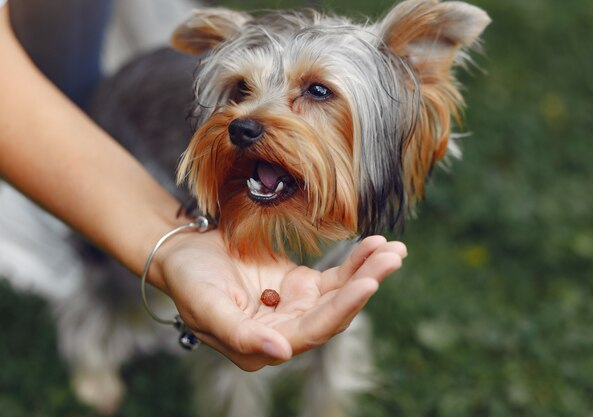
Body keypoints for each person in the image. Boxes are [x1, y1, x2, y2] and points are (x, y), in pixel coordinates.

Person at [0, 1, 407, 371]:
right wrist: (166, 248)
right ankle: (91, 344)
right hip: (127, 116)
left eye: (317, 92)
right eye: (241, 90)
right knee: (108, 272)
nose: (247, 117)